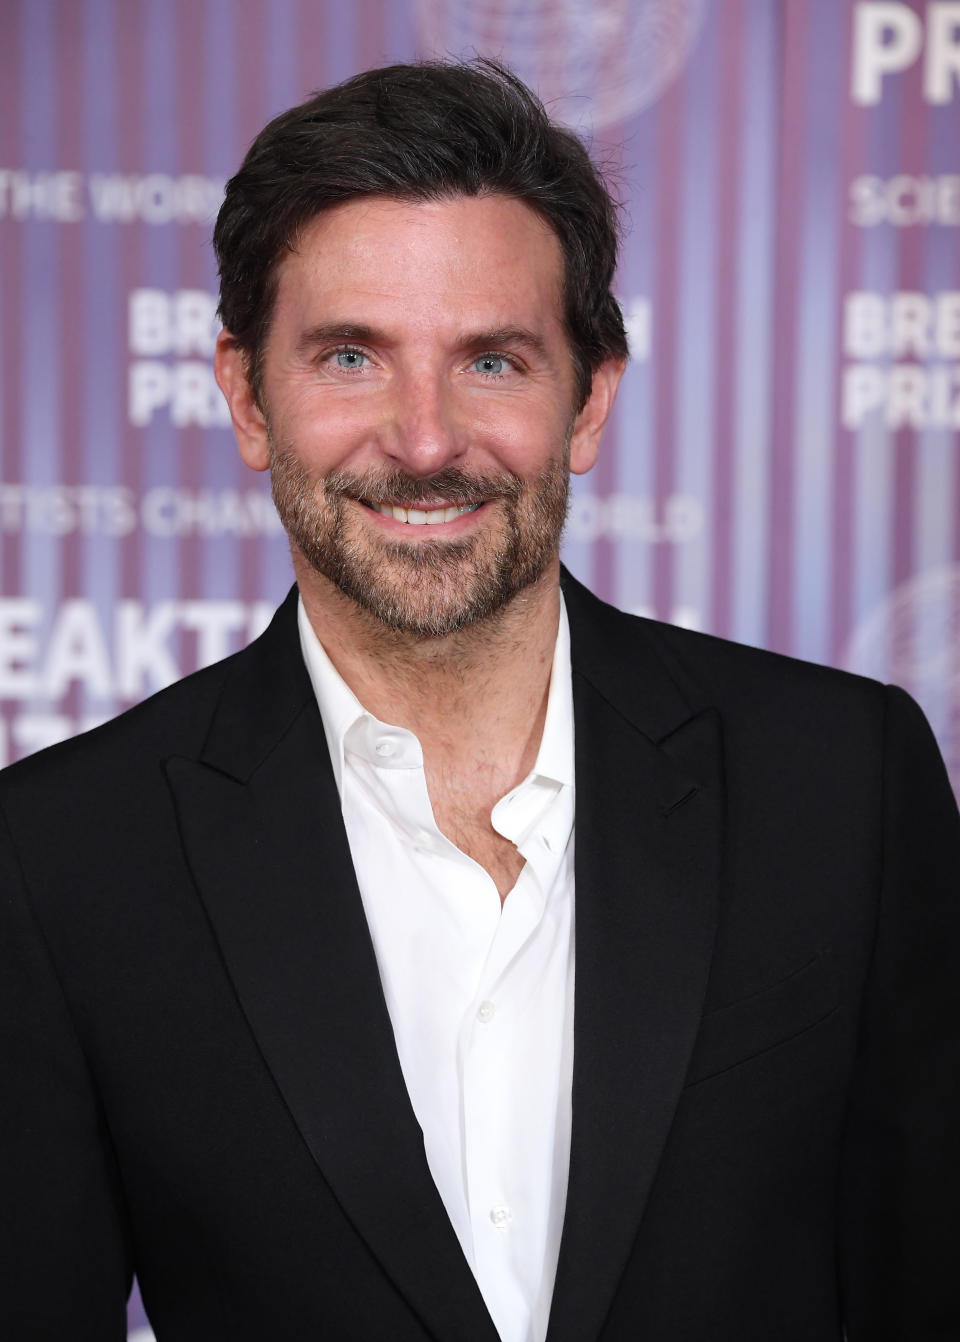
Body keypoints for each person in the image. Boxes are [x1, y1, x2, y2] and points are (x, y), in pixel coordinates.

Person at [1, 59, 958, 1342]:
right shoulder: (63, 855)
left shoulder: (845, 783)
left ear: (591, 397)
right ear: (243, 394)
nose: (427, 438)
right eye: (351, 355)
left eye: (493, 361)